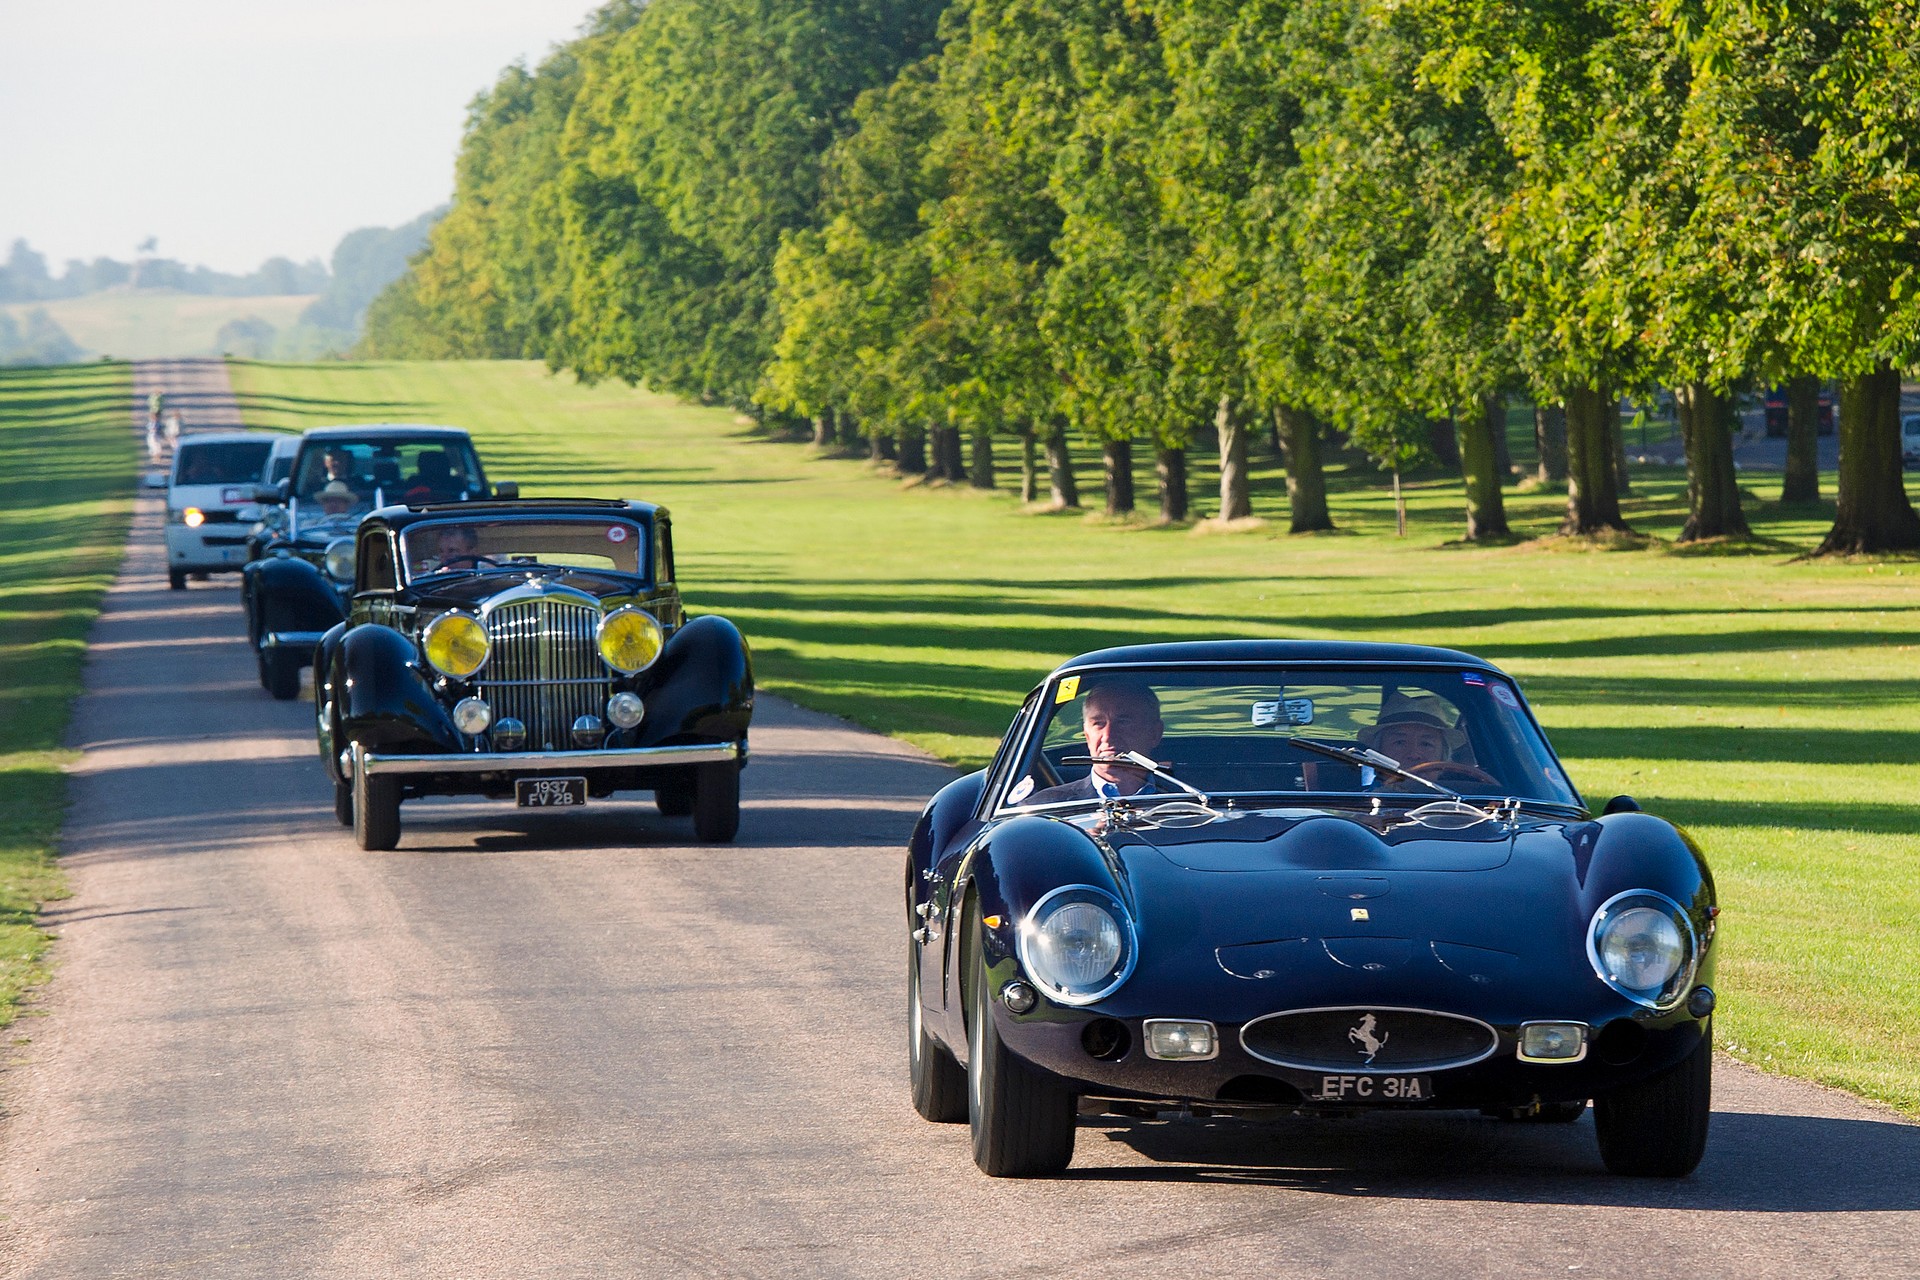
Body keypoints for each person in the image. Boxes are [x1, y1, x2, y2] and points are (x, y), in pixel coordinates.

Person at [1020, 677, 1165, 804]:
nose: (1108, 736)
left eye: (1123, 722)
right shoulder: (1043, 808)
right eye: (1098, 723)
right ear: (1087, 736)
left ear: (1154, 733)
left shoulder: (1183, 797)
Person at [1356, 693, 1467, 771]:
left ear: (1443, 756)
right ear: (1379, 752)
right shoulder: (1357, 800)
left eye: (1426, 744)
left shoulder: (1467, 799)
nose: (1414, 755)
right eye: (1400, 742)